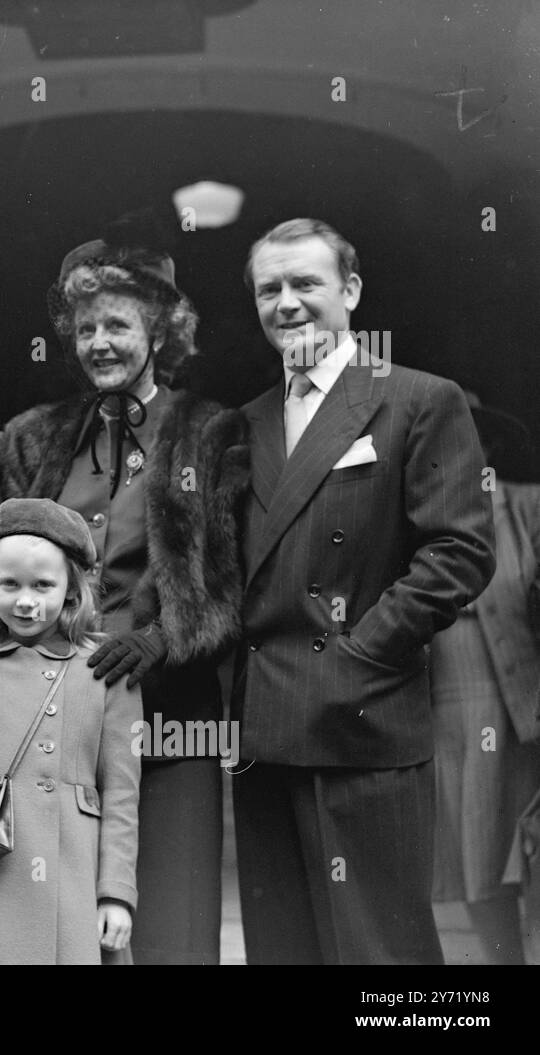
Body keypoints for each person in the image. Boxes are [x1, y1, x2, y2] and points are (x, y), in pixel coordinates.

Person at [0, 241, 247, 964]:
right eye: (86, 327)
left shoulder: (212, 430)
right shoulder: (36, 436)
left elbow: (235, 568)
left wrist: (167, 635)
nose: (100, 343)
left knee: (170, 935)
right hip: (51, 723)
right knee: (54, 931)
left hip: (167, 726)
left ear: (160, 330)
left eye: (118, 325)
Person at [234, 217, 496, 964]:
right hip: (265, 733)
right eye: (269, 289)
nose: (286, 303)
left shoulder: (417, 399)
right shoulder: (246, 422)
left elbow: (461, 550)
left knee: (381, 958)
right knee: (284, 951)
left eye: (305, 283)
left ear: (349, 290)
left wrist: (360, 654)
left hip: (363, 720)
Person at [0, 498, 142, 964]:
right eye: (10, 584)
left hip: (71, 883)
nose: (26, 600)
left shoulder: (104, 672)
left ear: (72, 591)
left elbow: (121, 795)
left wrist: (115, 892)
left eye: (43, 585)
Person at [429, 399, 540, 964]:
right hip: (447, 712)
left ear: (489, 449)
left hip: (522, 712)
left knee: (530, 853)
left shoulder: (528, 508)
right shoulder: (410, 522)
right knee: (478, 863)